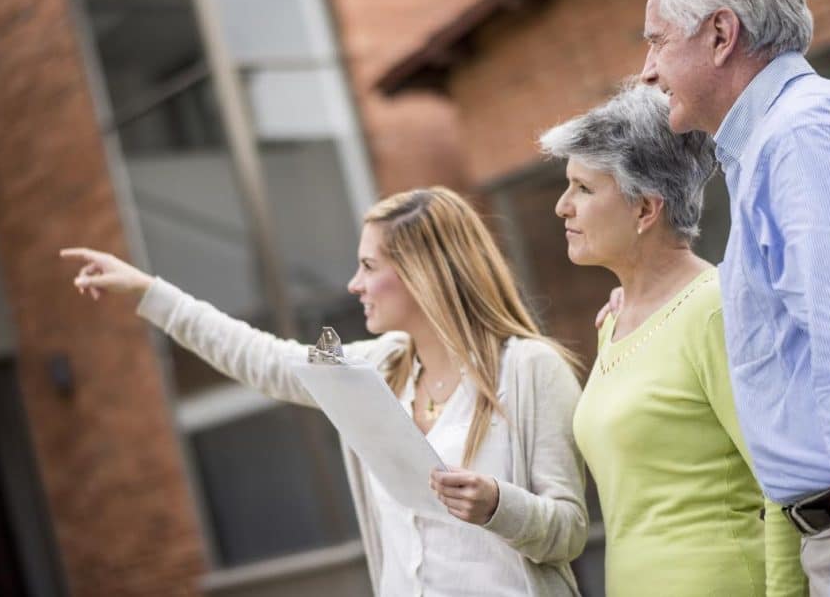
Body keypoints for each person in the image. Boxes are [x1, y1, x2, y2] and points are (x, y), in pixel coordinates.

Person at [61, 186, 588, 597]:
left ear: (423, 273)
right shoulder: (372, 368)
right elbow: (263, 356)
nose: (353, 285)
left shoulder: (529, 370)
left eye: (368, 266)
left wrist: (499, 505)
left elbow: (568, 532)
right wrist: (151, 294)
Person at [595, 0, 830, 597]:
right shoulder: (781, 144)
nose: (646, 72)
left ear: (721, 34)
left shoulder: (805, 139)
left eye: (656, 42)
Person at [540, 82, 805, 596]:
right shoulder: (614, 323)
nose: (562, 207)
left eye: (584, 189)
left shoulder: (713, 309)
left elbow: (783, 486)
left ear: (646, 210)